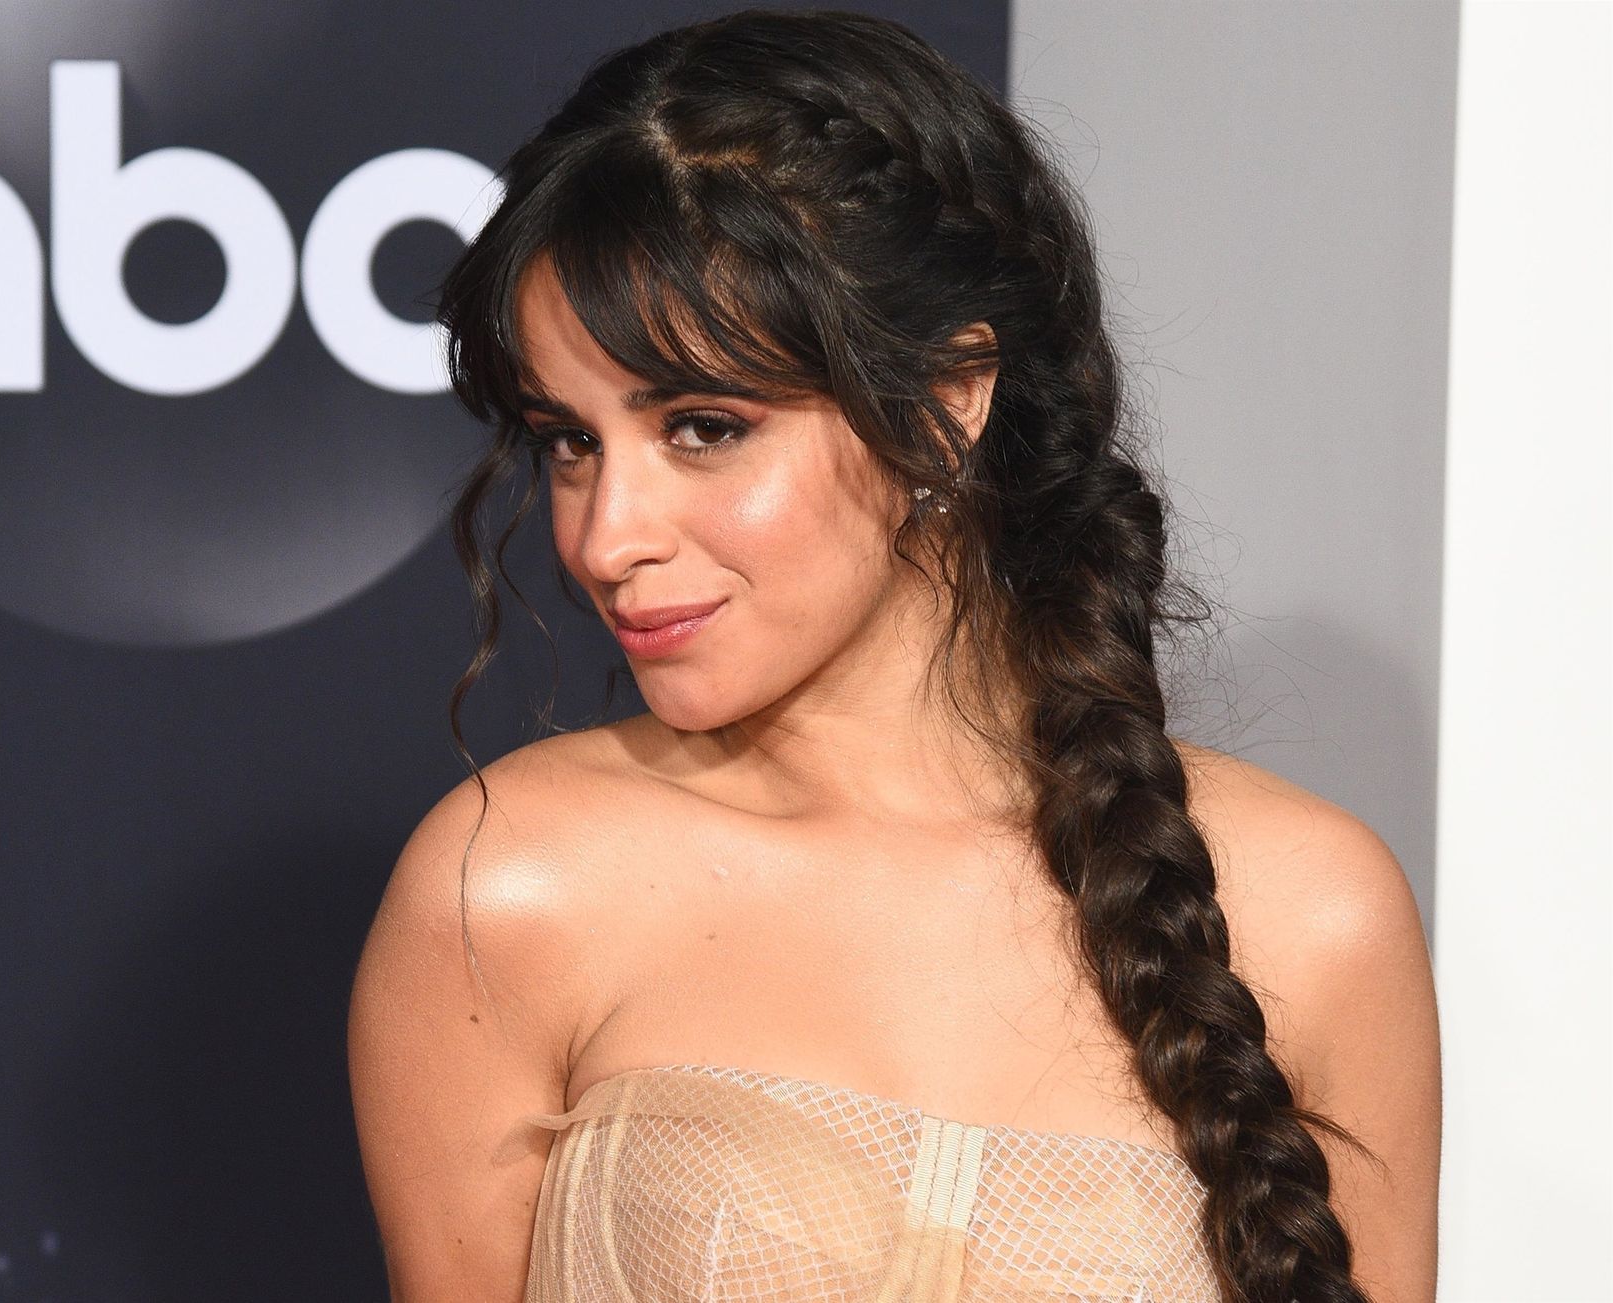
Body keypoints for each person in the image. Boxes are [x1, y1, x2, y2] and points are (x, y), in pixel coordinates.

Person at [347, 8, 1440, 1301]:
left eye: (702, 427)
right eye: (570, 441)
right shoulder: (514, 890)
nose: (605, 534)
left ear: (944, 402)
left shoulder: (1312, 913)